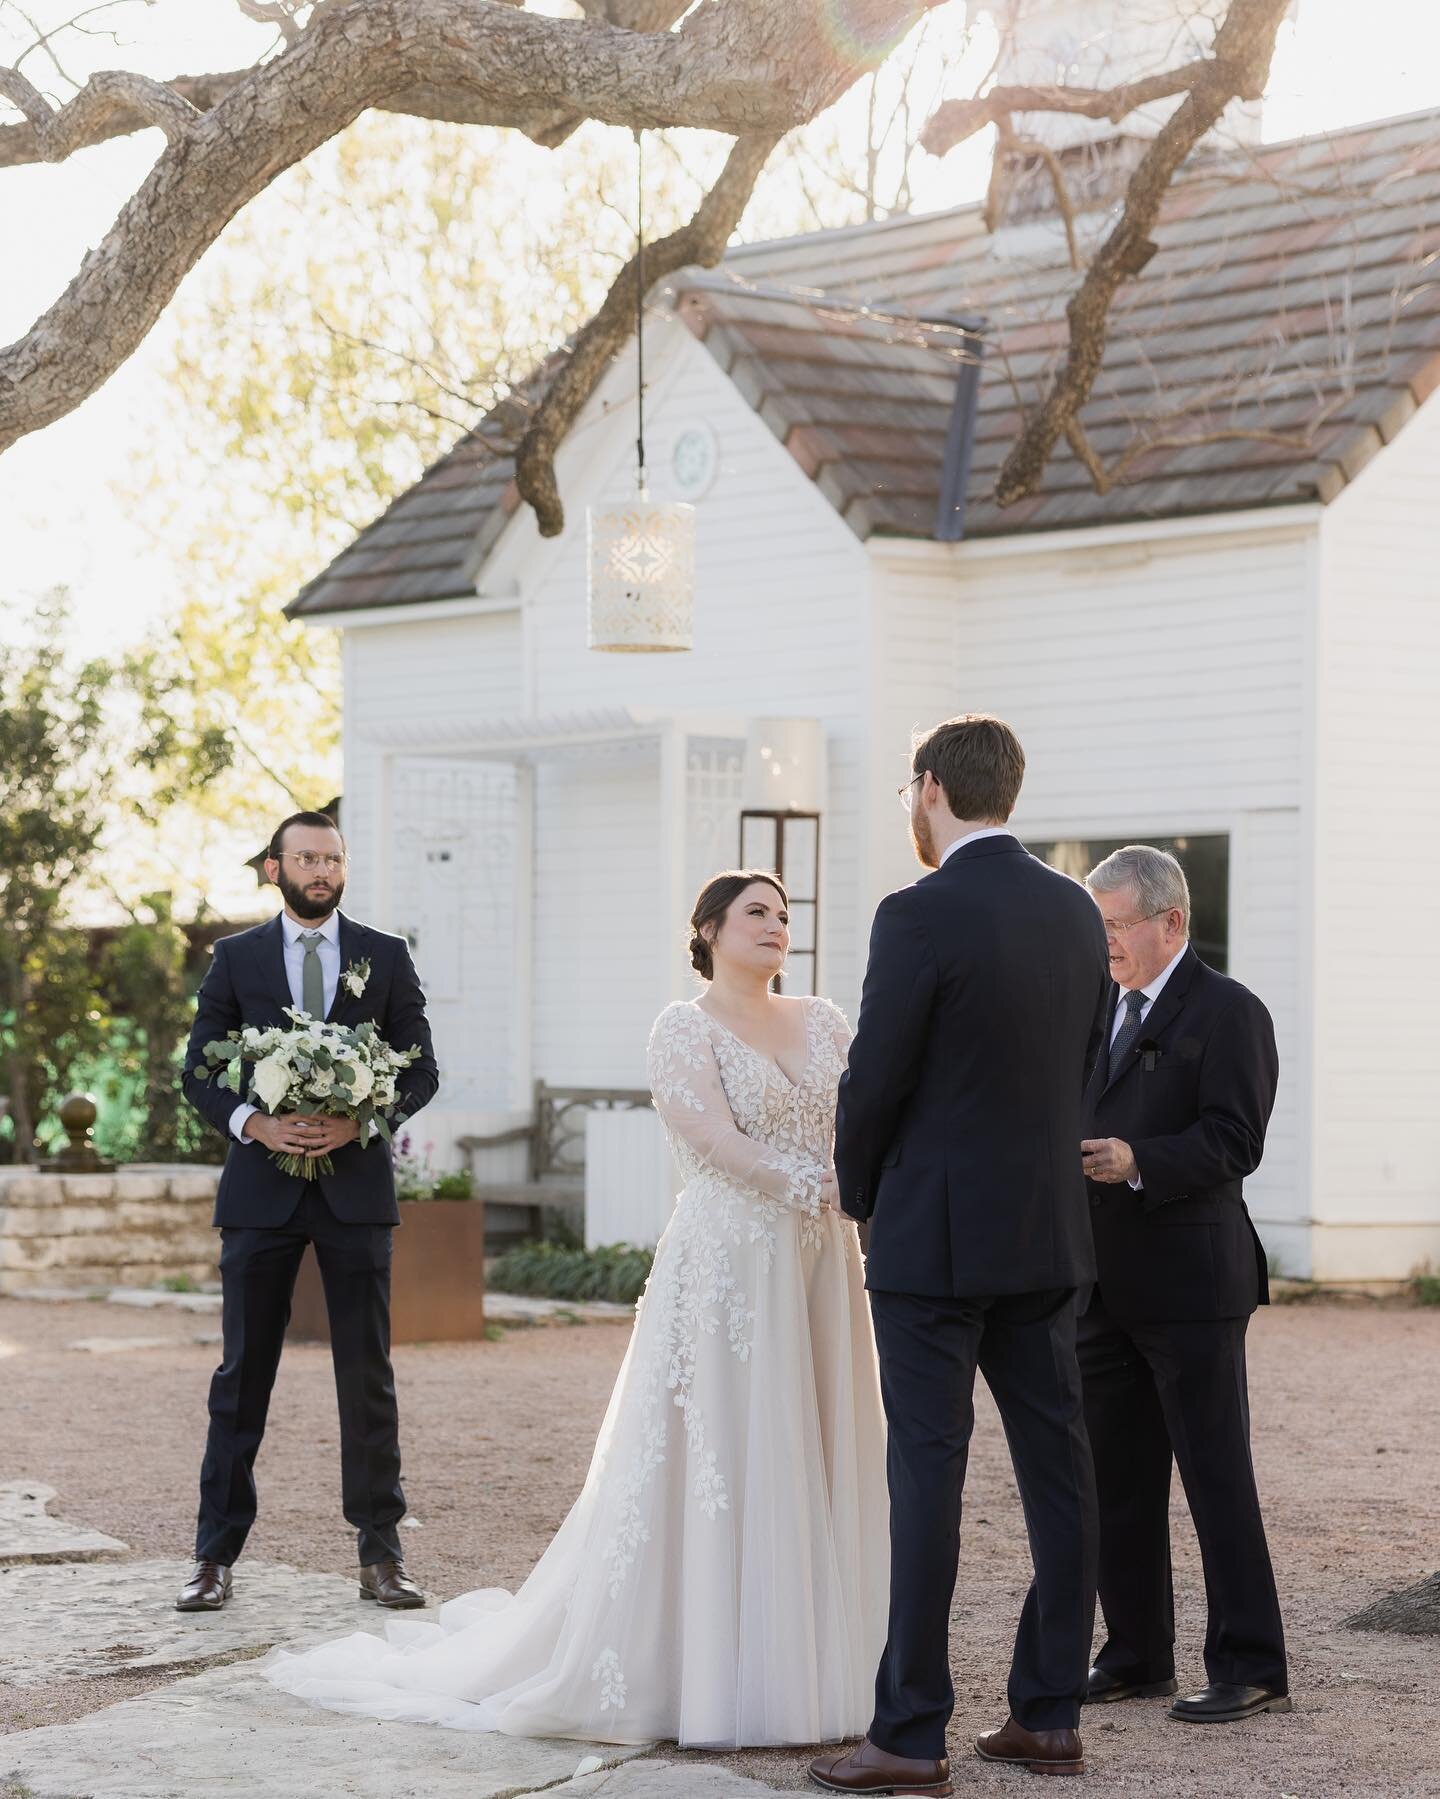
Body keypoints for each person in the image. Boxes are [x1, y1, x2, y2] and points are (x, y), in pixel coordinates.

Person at [263, 870, 889, 1748]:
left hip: (821, 1263)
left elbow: (868, 1112)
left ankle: (825, 1661)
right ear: (707, 929)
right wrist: (816, 1182)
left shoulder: (825, 1021)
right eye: (756, 912)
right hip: (729, 1269)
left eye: (785, 916)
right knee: (728, 1445)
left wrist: (857, 1180)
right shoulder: (683, 1026)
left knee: (817, 1439)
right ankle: (712, 1668)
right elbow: (705, 1133)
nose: (777, 926)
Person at [810, 714, 1111, 1795]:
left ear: (930, 787)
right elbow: (1085, 1061)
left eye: (906, 789)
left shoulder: (918, 911)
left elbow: (875, 1077)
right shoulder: (1079, 910)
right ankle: (1050, 1714)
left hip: (933, 1238)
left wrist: (859, 1193)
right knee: (1059, 1470)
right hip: (1047, 1231)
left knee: (927, 1471)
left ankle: (909, 1732)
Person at [176, 811, 439, 1614]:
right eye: (307, 858)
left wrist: (360, 1120)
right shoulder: (235, 958)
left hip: (355, 1195)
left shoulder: (385, 956)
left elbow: (422, 1068)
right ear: (273, 868)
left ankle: (381, 1557)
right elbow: (199, 1073)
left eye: (332, 857)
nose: (321, 870)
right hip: (261, 1195)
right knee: (241, 1374)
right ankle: (213, 1557)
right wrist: (256, 1123)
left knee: (368, 1376)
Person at [1078, 845, 1290, 1725]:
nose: (1107, 943)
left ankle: (1252, 1663)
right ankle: (1137, 1653)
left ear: (1171, 921)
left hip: (1194, 1284)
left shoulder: (1231, 1011)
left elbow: (1237, 1139)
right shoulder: (1094, 1009)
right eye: (1099, 927)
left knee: (1215, 1475)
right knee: (1117, 1481)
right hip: (1100, 1283)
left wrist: (1139, 1161)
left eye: (1118, 924)